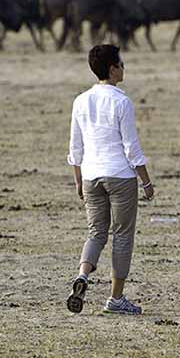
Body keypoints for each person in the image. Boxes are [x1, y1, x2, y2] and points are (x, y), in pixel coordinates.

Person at [66, 44, 154, 315]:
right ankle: (116, 299)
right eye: (122, 64)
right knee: (123, 236)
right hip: (120, 176)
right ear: (113, 69)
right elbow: (131, 147)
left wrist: (79, 180)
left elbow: (75, 147)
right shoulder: (121, 101)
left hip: (91, 175)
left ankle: (83, 276)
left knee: (96, 232)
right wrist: (146, 182)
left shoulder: (80, 100)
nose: (124, 68)